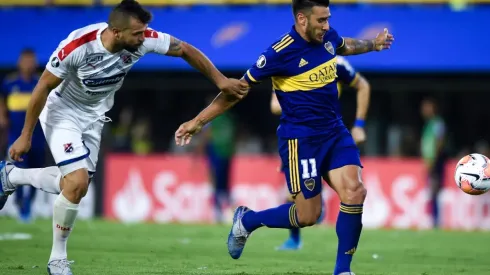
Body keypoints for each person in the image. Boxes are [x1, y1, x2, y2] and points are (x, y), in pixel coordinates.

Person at [0, 1, 248, 274]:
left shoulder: (143, 39)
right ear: (116, 32)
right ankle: (57, 259)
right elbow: (43, 86)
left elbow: (185, 49)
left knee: (75, 187)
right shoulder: (78, 46)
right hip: (62, 113)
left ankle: (12, 177)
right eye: (137, 34)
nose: (144, 38)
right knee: (77, 182)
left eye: (144, 32)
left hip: (95, 118)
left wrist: (221, 81)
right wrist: (26, 134)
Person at [174, 0, 393, 274]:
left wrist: (373, 44)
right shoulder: (278, 53)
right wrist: (198, 121)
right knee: (308, 215)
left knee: (355, 191)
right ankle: (248, 221)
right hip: (301, 141)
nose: (326, 26)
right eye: (320, 20)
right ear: (302, 19)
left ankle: (342, 270)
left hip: (335, 131)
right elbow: (236, 91)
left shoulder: (328, 37)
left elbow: (344, 45)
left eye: (328, 19)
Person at [272, 56, 371, 250]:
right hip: (297, 138)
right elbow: (274, 106)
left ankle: (341, 265)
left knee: (352, 189)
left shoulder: (334, 63)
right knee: (291, 196)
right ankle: (291, 235)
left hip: (328, 135)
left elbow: (363, 86)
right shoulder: (285, 63)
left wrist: (359, 124)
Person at [0, 49, 46, 223]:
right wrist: (3, 116)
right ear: (20, 62)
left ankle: (29, 202)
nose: (28, 64)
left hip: (39, 137)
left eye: (31, 61)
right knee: (18, 169)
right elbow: (2, 99)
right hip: (15, 136)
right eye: (25, 60)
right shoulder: (10, 83)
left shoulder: (42, 82)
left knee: (37, 170)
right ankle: (21, 203)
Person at [420, 97, 447, 229]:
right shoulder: (429, 124)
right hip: (430, 161)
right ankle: (433, 219)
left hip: (435, 162)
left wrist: (434, 160)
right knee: (432, 191)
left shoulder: (437, 123)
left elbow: (439, 141)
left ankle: (436, 221)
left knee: (434, 190)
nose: (424, 110)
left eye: (427, 107)